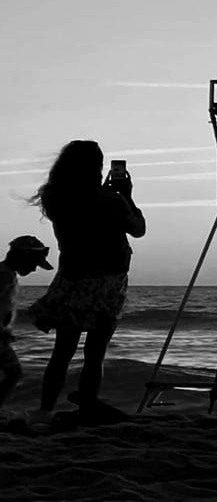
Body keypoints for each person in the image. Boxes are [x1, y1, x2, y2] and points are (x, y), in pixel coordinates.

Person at [28, 142, 145, 419]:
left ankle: (45, 409)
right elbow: (138, 229)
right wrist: (127, 196)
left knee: (62, 351)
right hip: (108, 281)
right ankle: (87, 403)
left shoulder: (56, 197)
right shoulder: (111, 201)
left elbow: (83, 216)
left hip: (73, 277)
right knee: (95, 351)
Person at [1, 235, 52, 414]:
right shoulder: (4, 276)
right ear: (23, 257)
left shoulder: (8, 274)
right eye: (33, 263)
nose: (33, 269)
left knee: (13, 373)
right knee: (14, 373)